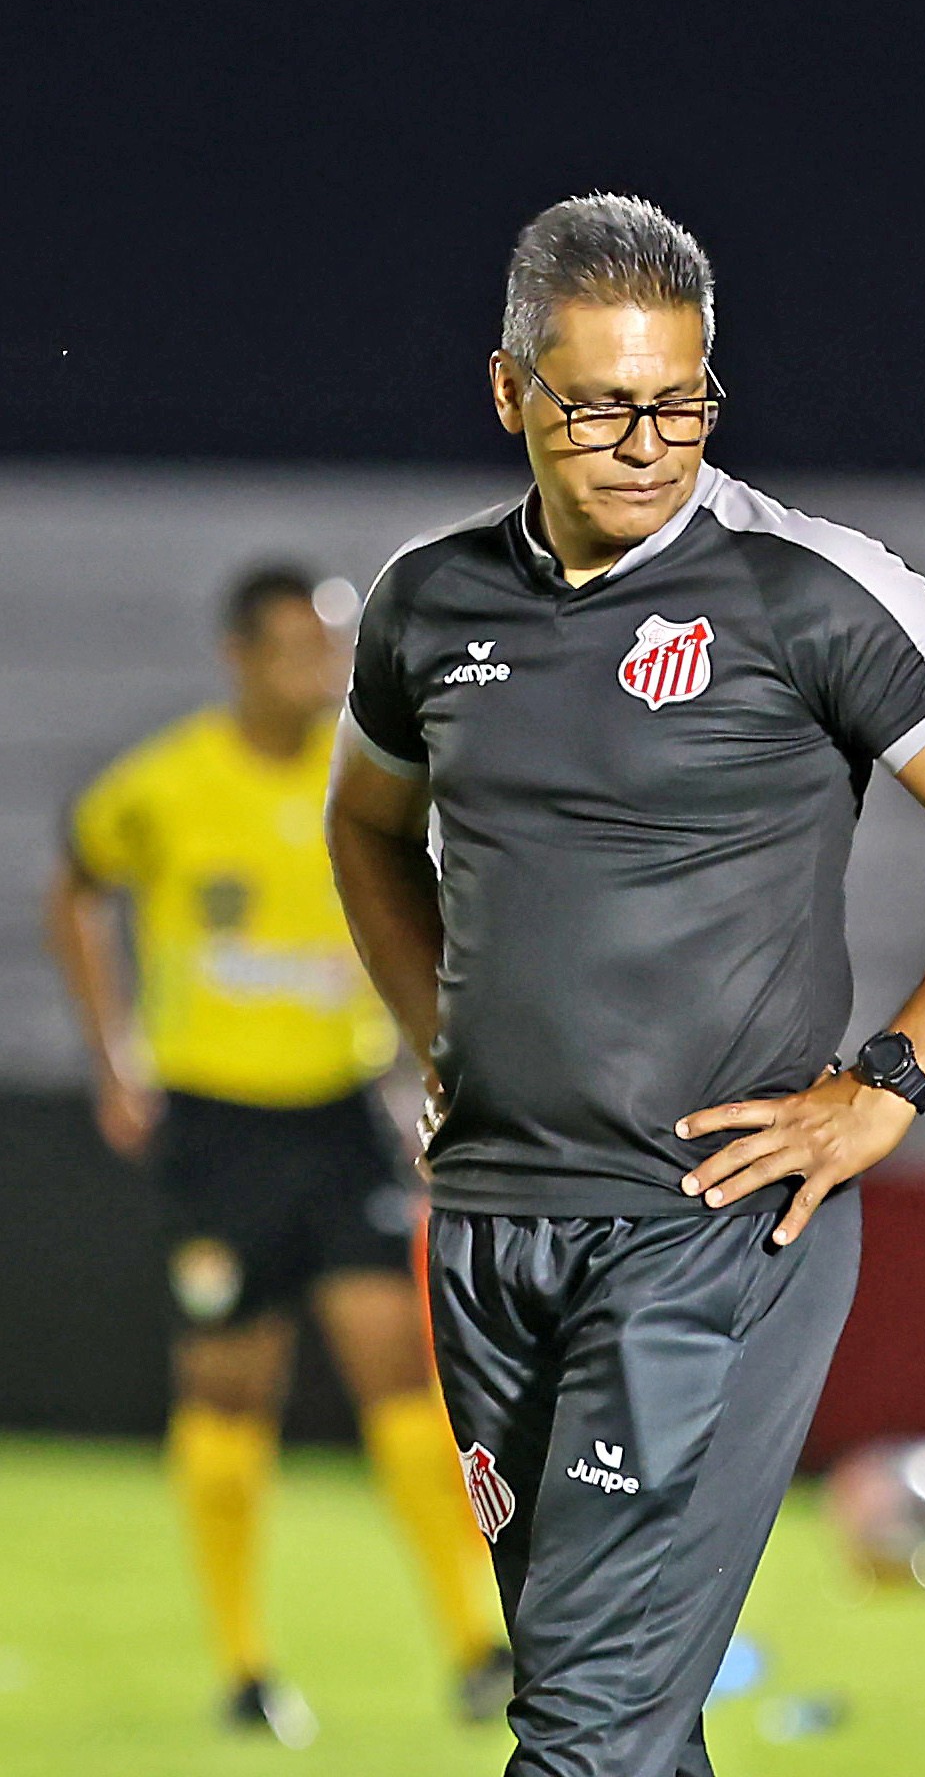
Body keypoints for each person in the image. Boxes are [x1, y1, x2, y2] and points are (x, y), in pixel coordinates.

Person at [325, 191, 925, 1777]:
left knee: (581, 1736)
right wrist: (436, 1036)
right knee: (623, 1712)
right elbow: (363, 826)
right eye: (602, 403)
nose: (644, 441)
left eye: (678, 402)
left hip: (710, 1232)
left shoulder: (805, 591)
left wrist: (889, 1081)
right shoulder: (428, 604)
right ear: (508, 393)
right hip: (486, 1233)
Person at [47, 563, 513, 1744]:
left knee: (398, 1374)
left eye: (336, 647)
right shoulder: (165, 783)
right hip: (213, 1126)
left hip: (336, 1114)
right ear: (239, 656)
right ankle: (245, 1666)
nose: (325, 670)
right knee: (229, 1387)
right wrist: (113, 1055)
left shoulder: (363, 780)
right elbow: (77, 887)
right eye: (301, 648)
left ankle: (475, 1646)